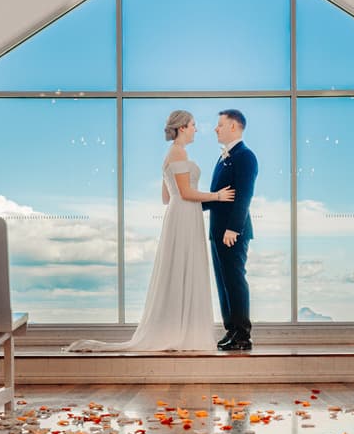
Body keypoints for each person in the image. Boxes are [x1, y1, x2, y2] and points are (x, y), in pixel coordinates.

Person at [66, 110, 234, 352]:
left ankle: (177, 329)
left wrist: (188, 195)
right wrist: (217, 196)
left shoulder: (170, 155)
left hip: (178, 214)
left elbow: (167, 197)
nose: (197, 129)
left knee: (177, 268)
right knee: (185, 267)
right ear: (183, 127)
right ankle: (184, 332)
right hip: (185, 214)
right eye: (194, 125)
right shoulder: (178, 152)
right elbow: (186, 193)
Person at [203, 110, 258, 351]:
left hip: (232, 232)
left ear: (234, 127)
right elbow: (219, 196)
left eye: (220, 125)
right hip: (217, 231)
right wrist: (187, 203)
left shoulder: (245, 156)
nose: (216, 129)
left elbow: (244, 195)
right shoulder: (223, 157)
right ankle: (231, 330)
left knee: (235, 281)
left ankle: (243, 335)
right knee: (223, 282)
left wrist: (234, 228)